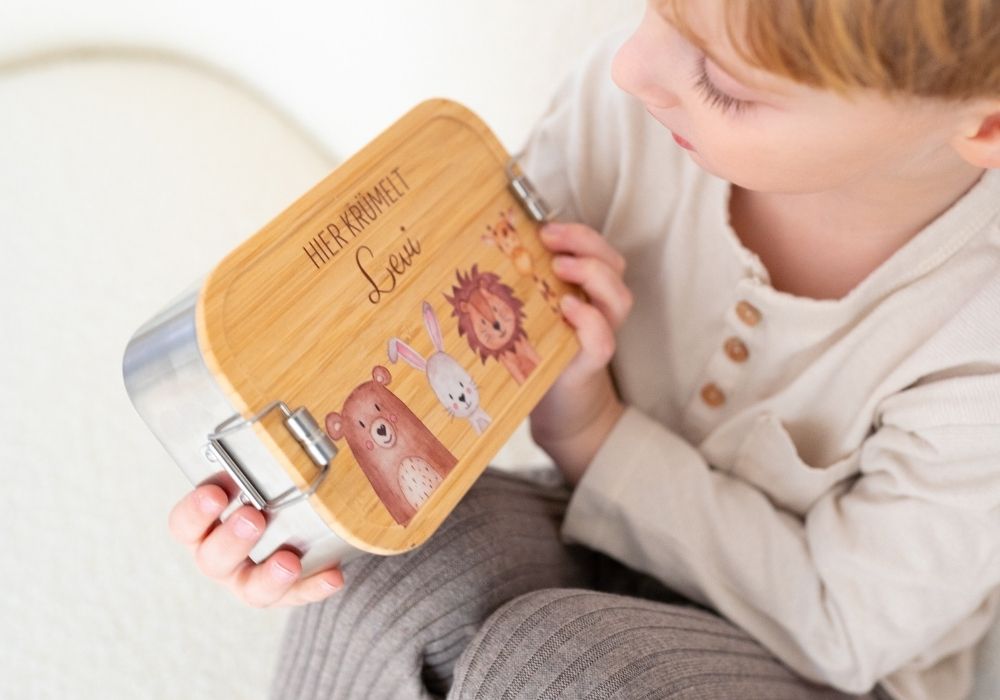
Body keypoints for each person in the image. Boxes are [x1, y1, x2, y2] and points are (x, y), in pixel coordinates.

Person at [167, 1, 1000, 698]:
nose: (634, 66)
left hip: (825, 657)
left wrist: (593, 433)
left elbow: (845, 622)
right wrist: (297, 507)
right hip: (590, 527)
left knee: (561, 666)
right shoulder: (636, 112)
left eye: (722, 83)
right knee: (388, 584)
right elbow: (449, 311)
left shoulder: (977, 330)